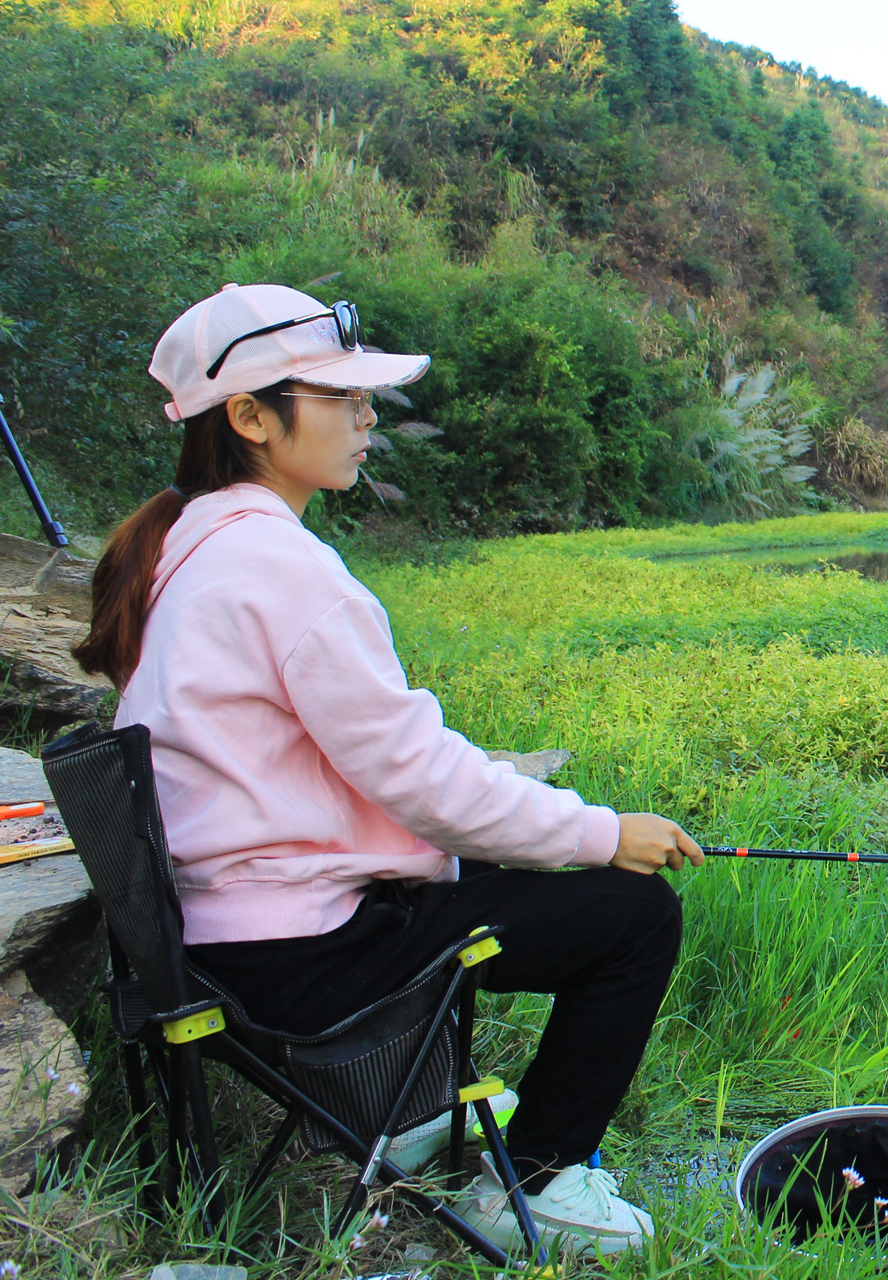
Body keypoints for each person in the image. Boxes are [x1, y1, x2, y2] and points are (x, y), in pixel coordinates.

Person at [73, 282, 704, 1253]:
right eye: (340, 396)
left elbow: (369, 763)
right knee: (632, 915)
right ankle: (533, 1180)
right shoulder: (282, 570)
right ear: (249, 416)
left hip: (225, 938)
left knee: (521, 873)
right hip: (301, 957)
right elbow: (420, 779)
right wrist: (601, 830)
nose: (367, 416)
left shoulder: (188, 553)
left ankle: (471, 1139)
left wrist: (531, 823)